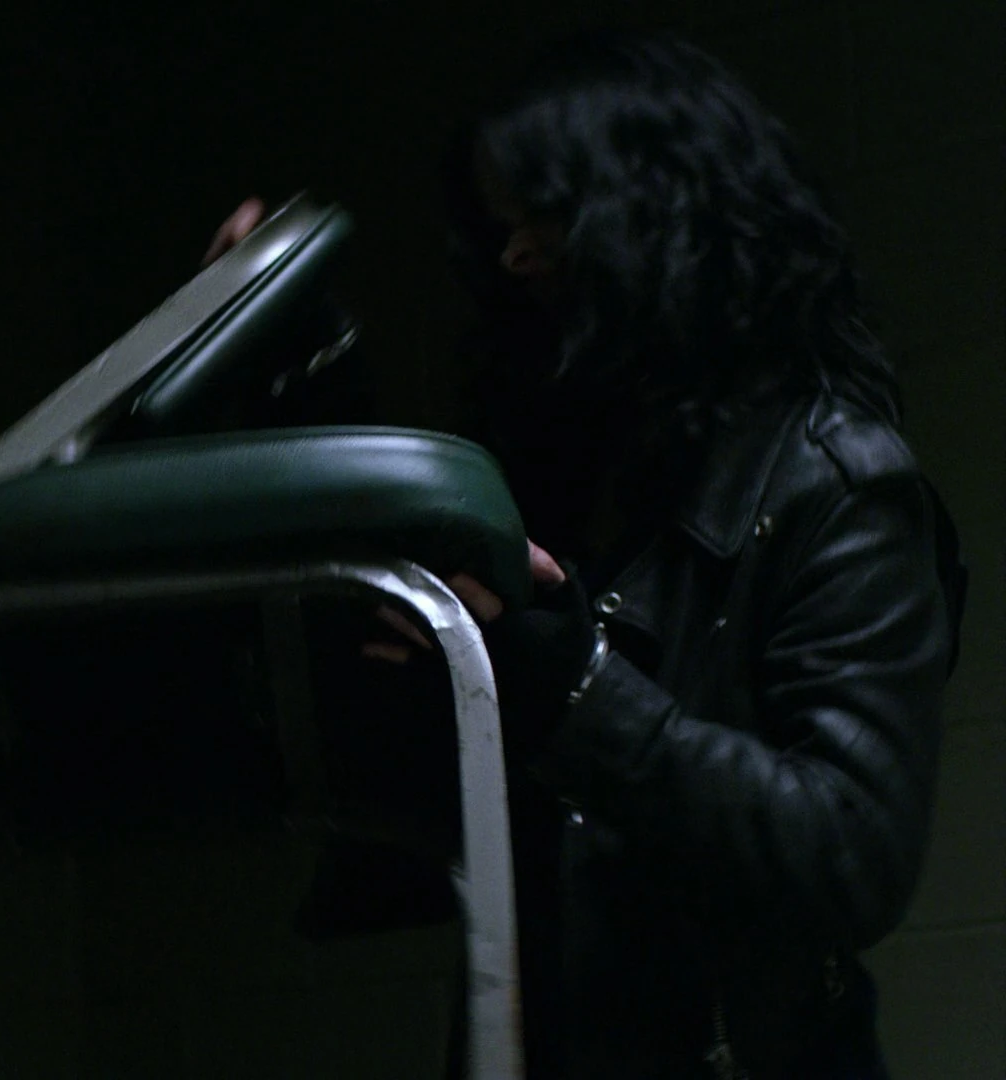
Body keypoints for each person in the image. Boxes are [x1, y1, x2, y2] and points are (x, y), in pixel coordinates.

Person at [206, 31, 967, 1080]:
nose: (515, 255)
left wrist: (570, 689)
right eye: (503, 225)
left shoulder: (831, 482)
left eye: (545, 214)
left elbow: (851, 853)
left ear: (657, 212)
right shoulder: (578, 466)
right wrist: (309, 377)